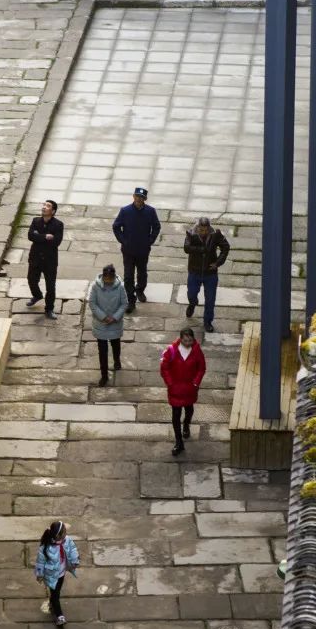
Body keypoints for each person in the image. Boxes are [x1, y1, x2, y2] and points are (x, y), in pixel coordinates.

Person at [111, 187, 161, 314]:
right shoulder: (125, 211)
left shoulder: (150, 211)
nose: (139, 199)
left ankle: (140, 290)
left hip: (143, 249)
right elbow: (116, 226)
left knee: (142, 273)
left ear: (145, 199)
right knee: (128, 276)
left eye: (142, 197)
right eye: (137, 197)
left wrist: (150, 240)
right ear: (133, 196)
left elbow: (156, 226)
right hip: (128, 250)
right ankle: (130, 300)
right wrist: (123, 240)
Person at [159, 326, 206, 457]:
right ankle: (179, 442)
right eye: (185, 340)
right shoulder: (171, 350)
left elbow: (201, 368)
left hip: (190, 389)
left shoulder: (197, 351)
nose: (188, 343)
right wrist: (170, 383)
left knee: (189, 410)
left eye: (190, 341)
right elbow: (164, 367)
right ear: (180, 339)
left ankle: (186, 424)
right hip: (175, 389)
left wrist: (196, 382)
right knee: (175, 416)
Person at [184, 215, 230, 332]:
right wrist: (202, 249)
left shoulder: (215, 234)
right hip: (195, 271)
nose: (203, 232)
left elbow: (225, 247)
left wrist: (218, 262)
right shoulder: (191, 233)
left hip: (210, 273)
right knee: (191, 294)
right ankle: (192, 303)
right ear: (198, 227)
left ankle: (208, 321)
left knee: (210, 299)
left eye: (205, 230)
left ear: (209, 228)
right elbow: (186, 248)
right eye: (201, 230)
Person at [88, 262, 127, 386]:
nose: (108, 282)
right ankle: (104, 375)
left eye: (110, 279)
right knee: (102, 351)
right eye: (106, 279)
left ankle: (117, 360)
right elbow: (92, 303)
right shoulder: (95, 286)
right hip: (101, 324)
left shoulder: (120, 287)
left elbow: (124, 304)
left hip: (115, 323)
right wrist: (103, 317)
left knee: (116, 345)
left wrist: (115, 317)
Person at [35, 519, 79, 628]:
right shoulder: (45, 547)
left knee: (57, 592)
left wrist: (75, 560)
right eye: (64, 532)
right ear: (58, 535)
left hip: (61, 573)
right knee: (56, 595)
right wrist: (39, 575)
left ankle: (52, 602)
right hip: (51, 575)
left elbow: (72, 549)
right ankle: (60, 616)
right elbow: (40, 562)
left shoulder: (67, 540)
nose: (66, 534)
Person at [26, 198, 64, 319]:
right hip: (35, 257)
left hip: (50, 260)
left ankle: (49, 309)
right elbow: (30, 236)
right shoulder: (35, 221)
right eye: (43, 205)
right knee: (31, 279)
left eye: (47, 206)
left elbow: (56, 242)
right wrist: (45, 237)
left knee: (50, 286)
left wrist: (38, 236)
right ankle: (37, 295)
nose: (44, 207)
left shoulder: (58, 224)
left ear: (52, 211)